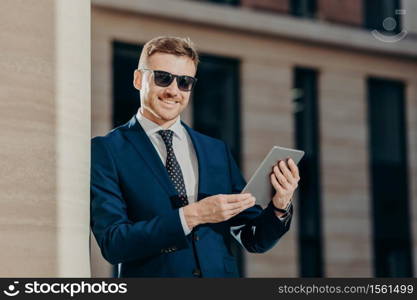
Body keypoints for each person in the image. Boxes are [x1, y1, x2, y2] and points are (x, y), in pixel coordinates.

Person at [90, 36, 300, 278]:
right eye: (163, 78)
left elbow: (254, 239)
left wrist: (279, 205)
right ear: (139, 79)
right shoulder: (107, 150)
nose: (173, 91)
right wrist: (193, 215)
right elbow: (114, 243)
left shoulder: (215, 150)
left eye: (184, 82)